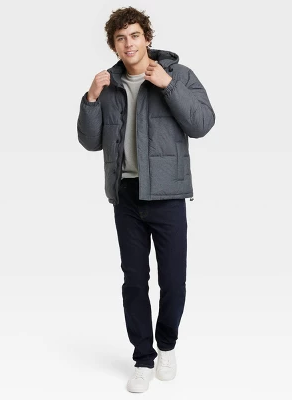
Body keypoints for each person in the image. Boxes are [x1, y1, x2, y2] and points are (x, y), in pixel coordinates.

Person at [77, 6, 215, 393]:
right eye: (120, 38)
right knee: (135, 282)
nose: (129, 43)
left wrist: (168, 84)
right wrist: (91, 99)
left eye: (134, 35)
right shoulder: (108, 85)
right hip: (126, 195)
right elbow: (89, 141)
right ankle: (143, 358)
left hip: (168, 194)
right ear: (114, 45)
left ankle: (166, 345)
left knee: (173, 282)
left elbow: (202, 124)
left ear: (147, 38)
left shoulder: (179, 75)